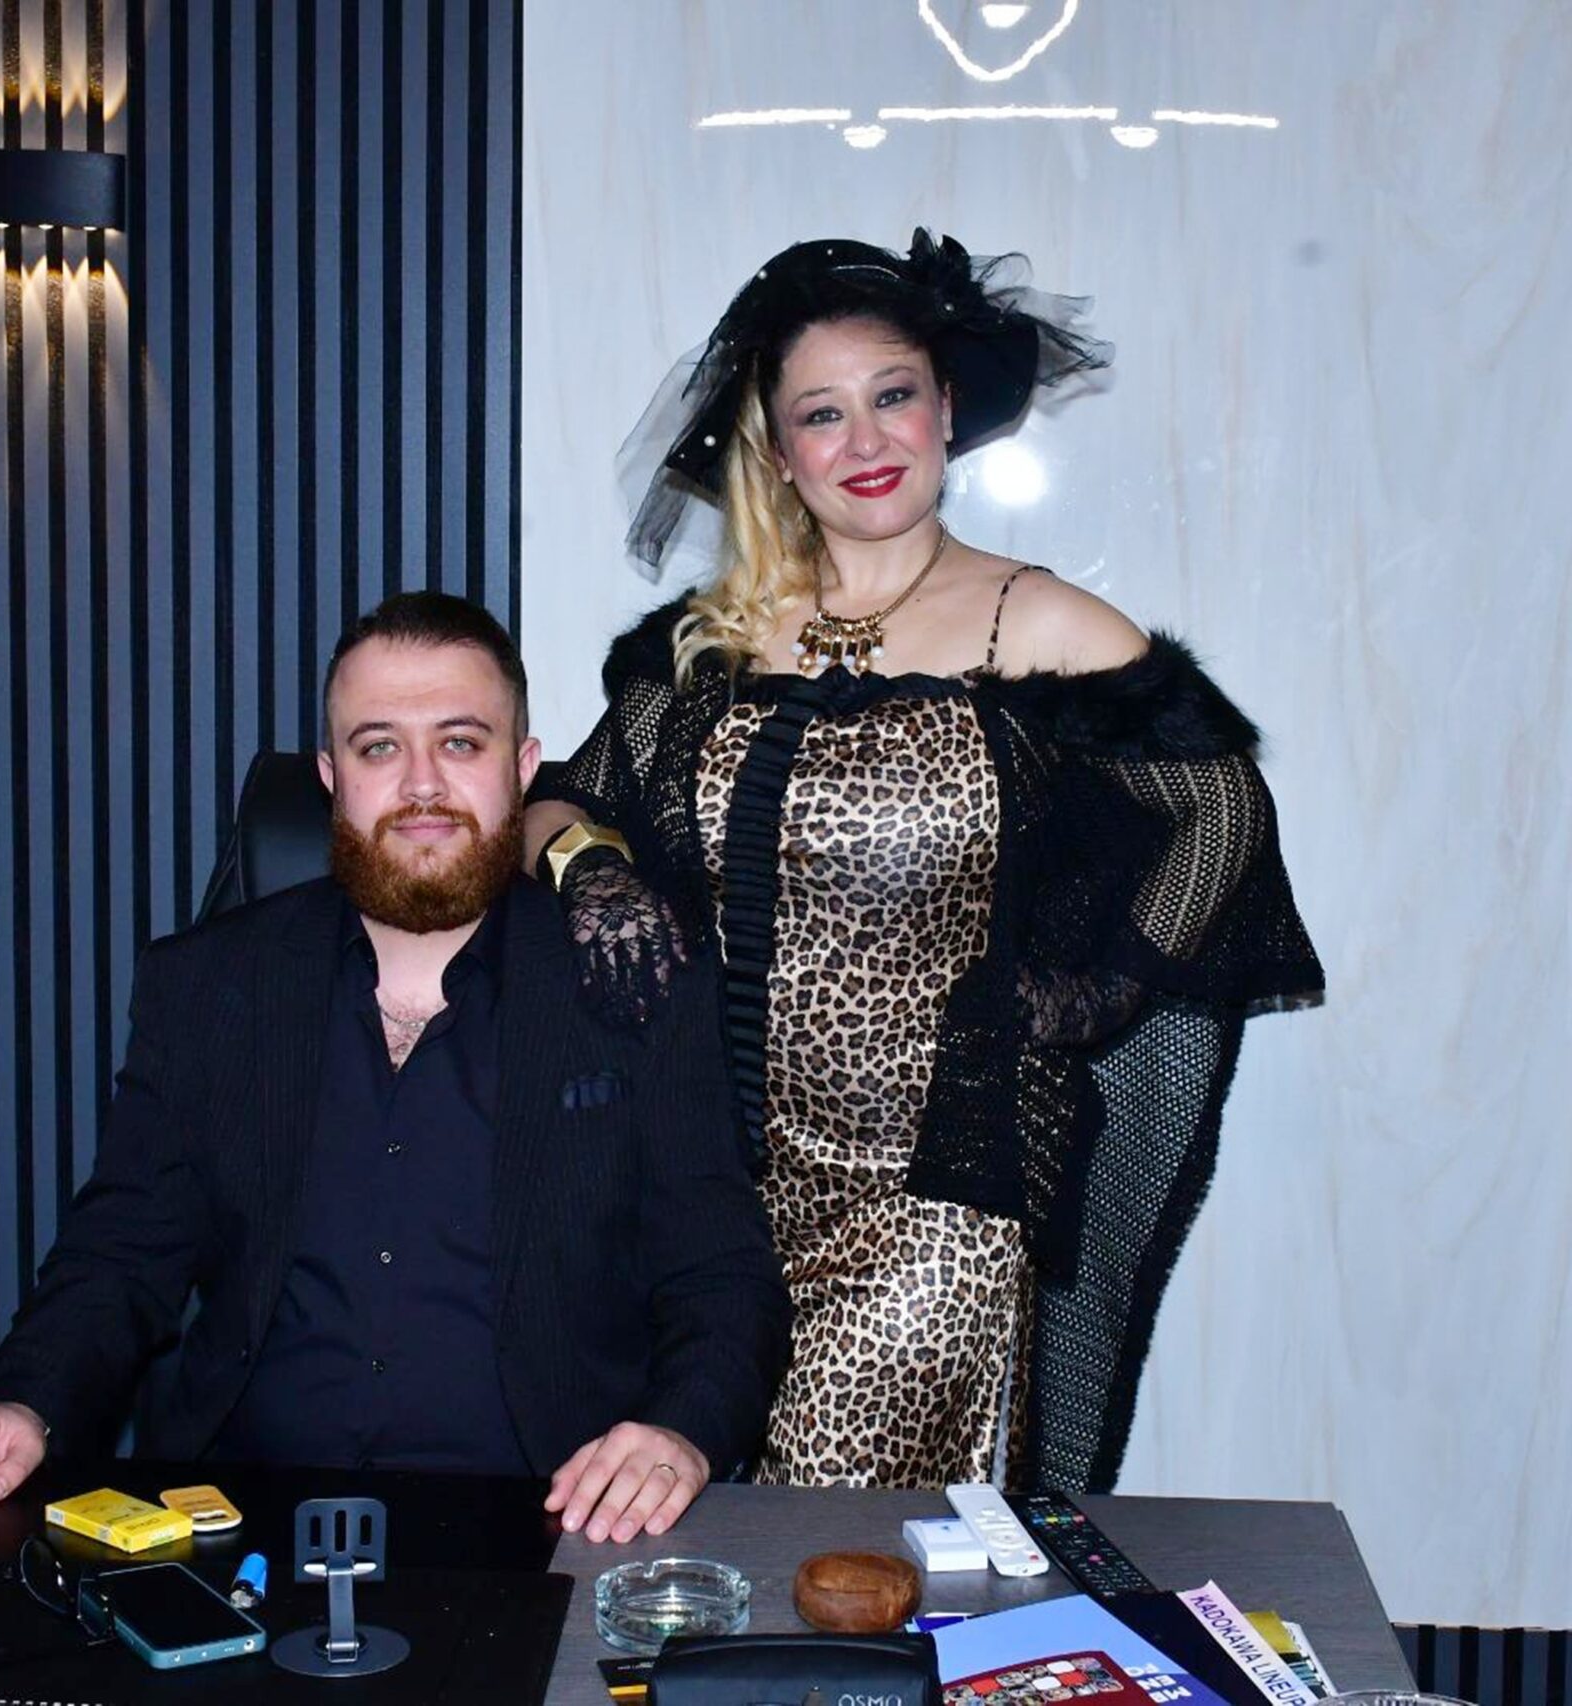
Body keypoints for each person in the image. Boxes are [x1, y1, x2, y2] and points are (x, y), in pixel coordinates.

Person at [525, 231, 1324, 1494]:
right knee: (706, 1538)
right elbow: (558, 801)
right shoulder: (711, 640)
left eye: (891, 394)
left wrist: (1095, 992)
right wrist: (593, 870)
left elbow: (1221, 811)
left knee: (827, 1540)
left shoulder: (1036, 621)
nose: (866, 440)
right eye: (821, 413)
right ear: (777, 452)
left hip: (933, 1208)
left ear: (946, 408)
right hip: (710, 1198)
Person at [0, 592, 788, 1544]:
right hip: (243, 1529)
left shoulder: (635, 982)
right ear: (332, 778)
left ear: (522, 769)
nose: (422, 785)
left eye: (461, 742)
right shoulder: (208, 985)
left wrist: (679, 1432)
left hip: (550, 1525)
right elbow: (120, 1254)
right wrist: (25, 1402)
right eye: (379, 748)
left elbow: (722, 1275)